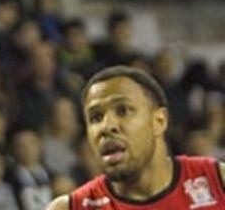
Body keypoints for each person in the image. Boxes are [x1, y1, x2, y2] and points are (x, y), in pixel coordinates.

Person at [46, 65, 225, 209]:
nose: (107, 127)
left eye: (123, 110)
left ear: (159, 121)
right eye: (96, 118)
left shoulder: (218, 181)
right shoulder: (70, 208)